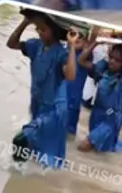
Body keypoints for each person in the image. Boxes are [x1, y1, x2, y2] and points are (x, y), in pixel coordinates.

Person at [6, 9, 76, 168]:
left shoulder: (61, 53)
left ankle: (16, 173)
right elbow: (11, 44)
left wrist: (71, 46)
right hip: (38, 104)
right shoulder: (35, 46)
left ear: (55, 31)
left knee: (21, 140)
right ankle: (36, 178)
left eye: (43, 29)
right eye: (37, 28)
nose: (39, 32)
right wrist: (25, 22)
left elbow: (70, 76)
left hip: (54, 109)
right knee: (38, 151)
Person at [77, 37, 122, 153]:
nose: (112, 61)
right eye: (111, 57)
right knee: (100, 151)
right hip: (96, 114)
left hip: (110, 119)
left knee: (83, 147)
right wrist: (96, 42)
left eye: (118, 60)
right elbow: (81, 60)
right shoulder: (102, 71)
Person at [62, 26, 97, 136]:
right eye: (72, 34)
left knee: (68, 135)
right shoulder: (63, 52)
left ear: (86, 41)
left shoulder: (85, 56)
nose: (75, 39)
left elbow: (93, 37)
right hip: (57, 102)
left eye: (79, 37)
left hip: (72, 105)